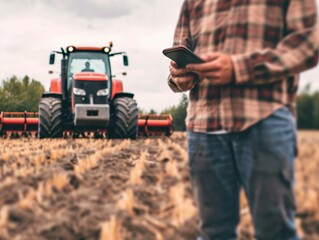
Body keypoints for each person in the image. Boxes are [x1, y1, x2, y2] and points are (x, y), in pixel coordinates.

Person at [167, 0, 318, 239]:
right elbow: (181, 56)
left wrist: (240, 68)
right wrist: (179, 76)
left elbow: (309, 44)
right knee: (213, 233)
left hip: (264, 119)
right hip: (204, 126)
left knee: (275, 232)